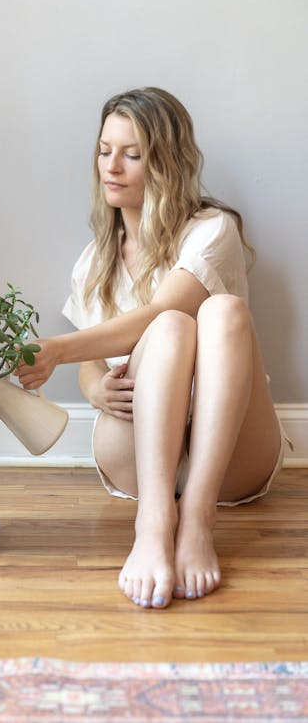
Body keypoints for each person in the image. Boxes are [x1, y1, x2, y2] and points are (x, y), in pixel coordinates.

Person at [17, 87, 288, 610]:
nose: (111, 166)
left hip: (231, 453)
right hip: (137, 453)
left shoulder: (212, 230)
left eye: (132, 154)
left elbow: (162, 310)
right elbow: (93, 370)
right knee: (168, 330)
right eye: (104, 150)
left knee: (211, 313)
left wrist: (54, 350)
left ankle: (197, 523)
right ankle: (154, 524)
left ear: (166, 161)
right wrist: (96, 390)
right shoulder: (92, 261)